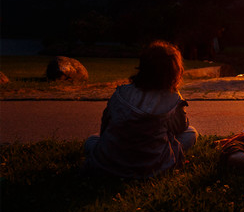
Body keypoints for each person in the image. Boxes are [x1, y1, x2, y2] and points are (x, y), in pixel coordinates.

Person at [83, 40, 199, 178]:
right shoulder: (173, 99)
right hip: (152, 166)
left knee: (92, 140)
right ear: (175, 72)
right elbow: (181, 127)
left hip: (110, 163)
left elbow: (105, 125)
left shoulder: (121, 93)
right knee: (191, 133)